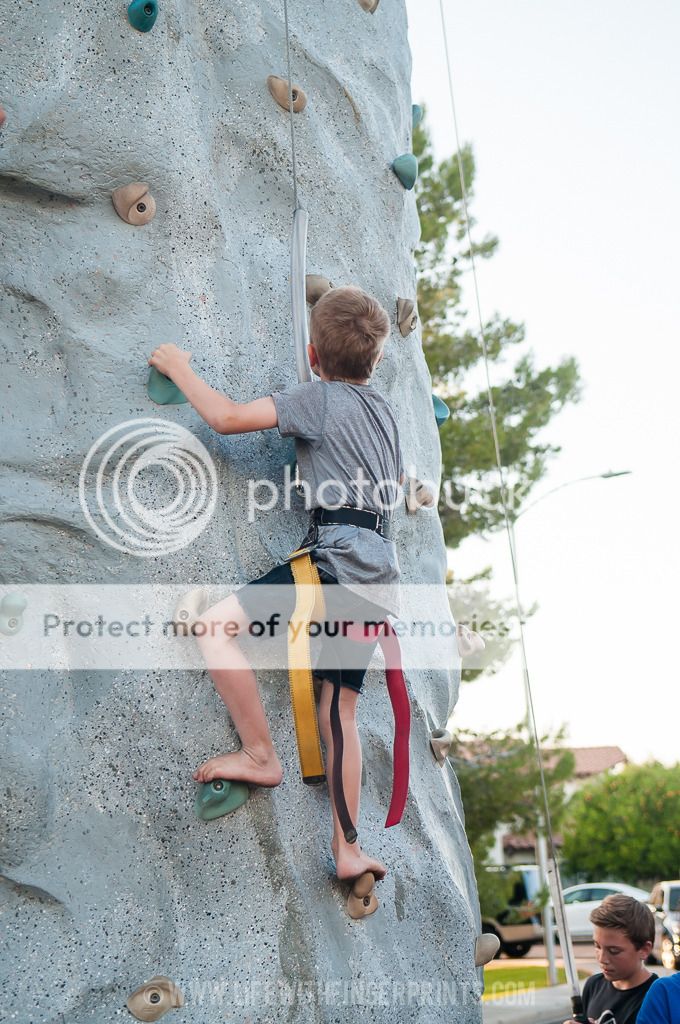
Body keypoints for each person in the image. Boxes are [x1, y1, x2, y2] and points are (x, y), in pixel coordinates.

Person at [148, 286, 404, 887]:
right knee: (338, 709)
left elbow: (228, 419)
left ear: (313, 355)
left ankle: (260, 754)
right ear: (375, 359)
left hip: (335, 562)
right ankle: (347, 847)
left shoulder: (317, 399)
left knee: (215, 628)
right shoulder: (385, 412)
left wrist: (180, 367)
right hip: (376, 576)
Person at [563, 893, 658, 1024]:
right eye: (597, 946)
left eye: (614, 951)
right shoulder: (593, 986)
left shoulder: (656, 997)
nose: (602, 959)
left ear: (644, 950)